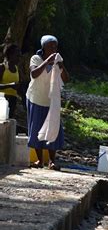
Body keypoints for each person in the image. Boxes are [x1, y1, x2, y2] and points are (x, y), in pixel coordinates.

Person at [27, 35, 69, 170]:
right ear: (44, 47)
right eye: (51, 46)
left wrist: (61, 66)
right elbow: (34, 74)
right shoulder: (36, 59)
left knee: (53, 128)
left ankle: (52, 161)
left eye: (55, 46)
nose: (54, 48)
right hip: (36, 98)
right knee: (37, 129)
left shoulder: (57, 61)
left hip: (51, 101)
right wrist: (47, 62)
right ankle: (40, 160)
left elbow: (66, 79)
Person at [0, 44, 21, 118]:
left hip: (12, 101)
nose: (19, 58)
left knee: (8, 123)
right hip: (2, 100)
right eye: (17, 56)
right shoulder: (2, 67)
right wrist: (10, 85)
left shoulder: (17, 69)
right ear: (10, 55)